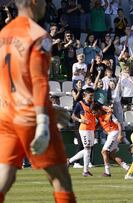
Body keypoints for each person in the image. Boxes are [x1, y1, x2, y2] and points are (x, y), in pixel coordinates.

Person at [0, 0, 76, 202]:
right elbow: (39, 81)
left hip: (6, 113)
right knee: (61, 179)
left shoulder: (4, 34)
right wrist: (43, 120)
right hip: (30, 116)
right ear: (34, 2)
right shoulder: (37, 35)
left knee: (4, 177)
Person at [91, 103, 129, 177]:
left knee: (104, 151)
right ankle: (127, 167)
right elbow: (99, 124)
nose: (93, 115)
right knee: (111, 155)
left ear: (98, 110)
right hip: (110, 134)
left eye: (94, 113)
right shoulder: (99, 117)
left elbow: (119, 124)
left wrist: (120, 134)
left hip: (114, 133)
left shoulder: (110, 115)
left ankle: (107, 172)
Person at [71, 88, 96, 177]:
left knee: (87, 149)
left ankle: (70, 161)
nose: (92, 97)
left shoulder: (94, 104)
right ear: (85, 95)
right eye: (91, 95)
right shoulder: (80, 104)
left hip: (92, 128)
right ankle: (85, 171)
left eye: (93, 95)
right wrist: (80, 120)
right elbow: (73, 116)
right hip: (84, 129)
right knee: (87, 149)